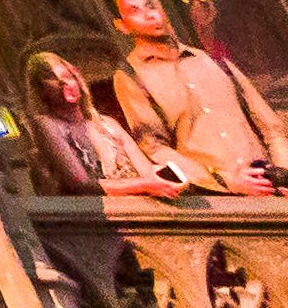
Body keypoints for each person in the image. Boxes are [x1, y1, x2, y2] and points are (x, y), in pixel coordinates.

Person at [110, 0, 288, 192]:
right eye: (135, 11)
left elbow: (272, 128)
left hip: (268, 187)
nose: (150, 15)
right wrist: (223, 180)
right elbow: (155, 148)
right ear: (122, 26)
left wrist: (284, 171)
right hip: (215, 197)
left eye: (149, 6)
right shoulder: (132, 76)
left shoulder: (210, 60)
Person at [28, 50, 211, 198]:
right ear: (41, 90)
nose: (65, 85)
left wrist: (166, 177)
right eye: (54, 80)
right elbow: (81, 184)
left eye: (68, 76)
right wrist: (144, 185)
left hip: (138, 208)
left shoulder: (107, 123)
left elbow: (145, 170)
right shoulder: (47, 124)